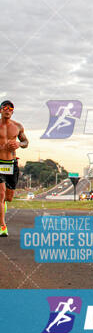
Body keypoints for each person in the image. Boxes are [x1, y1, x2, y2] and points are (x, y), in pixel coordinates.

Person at [0, 100, 29, 236]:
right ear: (1, 110)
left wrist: (19, 144)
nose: (8, 110)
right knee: (0, 194)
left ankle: (3, 204)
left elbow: (26, 142)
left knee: (8, 197)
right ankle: (2, 227)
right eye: (5, 108)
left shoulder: (18, 126)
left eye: (11, 108)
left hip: (11, 164)